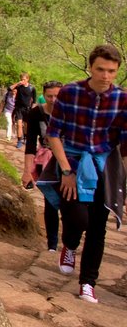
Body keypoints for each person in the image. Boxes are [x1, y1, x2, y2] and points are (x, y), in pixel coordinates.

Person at [47, 44, 127, 304]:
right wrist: (66, 171)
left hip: (102, 163)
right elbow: (54, 134)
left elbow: (124, 145)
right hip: (70, 158)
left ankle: (88, 283)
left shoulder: (122, 100)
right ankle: (69, 245)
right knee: (77, 218)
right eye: (100, 69)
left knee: (97, 227)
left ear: (117, 72)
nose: (105, 76)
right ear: (90, 67)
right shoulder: (70, 93)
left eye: (111, 71)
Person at [22, 80, 64, 252]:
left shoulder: (72, 113)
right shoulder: (36, 114)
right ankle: (52, 244)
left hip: (70, 161)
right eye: (50, 96)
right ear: (43, 96)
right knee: (51, 201)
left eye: (58, 96)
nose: (54, 100)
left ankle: (69, 243)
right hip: (46, 161)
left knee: (70, 203)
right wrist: (26, 171)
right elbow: (30, 144)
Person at [13, 73, 37, 148]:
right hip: (19, 108)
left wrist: (32, 109)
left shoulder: (32, 88)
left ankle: (25, 138)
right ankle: (19, 140)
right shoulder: (19, 86)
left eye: (24, 79)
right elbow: (9, 88)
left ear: (27, 79)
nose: (22, 80)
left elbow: (34, 100)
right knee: (19, 124)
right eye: (21, 79)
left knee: (26, 125)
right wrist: (17, 83)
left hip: (27, 109)